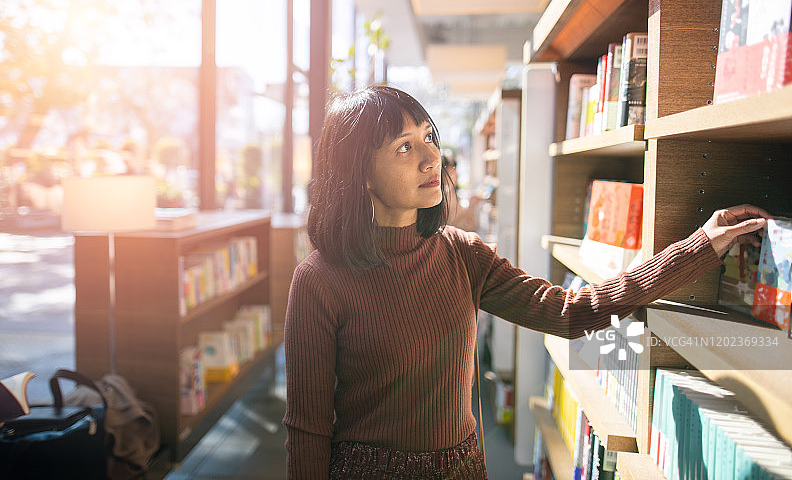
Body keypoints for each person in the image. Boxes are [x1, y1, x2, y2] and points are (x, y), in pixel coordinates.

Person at [283, 84, 768, 479]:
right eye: (404, 147)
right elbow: (307, 430)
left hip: (462, 469)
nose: (431, 159)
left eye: (428, 137)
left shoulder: (461, 253)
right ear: (359, 175)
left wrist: (701, 245)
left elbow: (571, 311)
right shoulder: (319, 282)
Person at [441, 147, 480, 232]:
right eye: (452, 170)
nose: (457, 174)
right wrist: (471, 206)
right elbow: (458, 227)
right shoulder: (446, 194)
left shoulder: (449, 192)